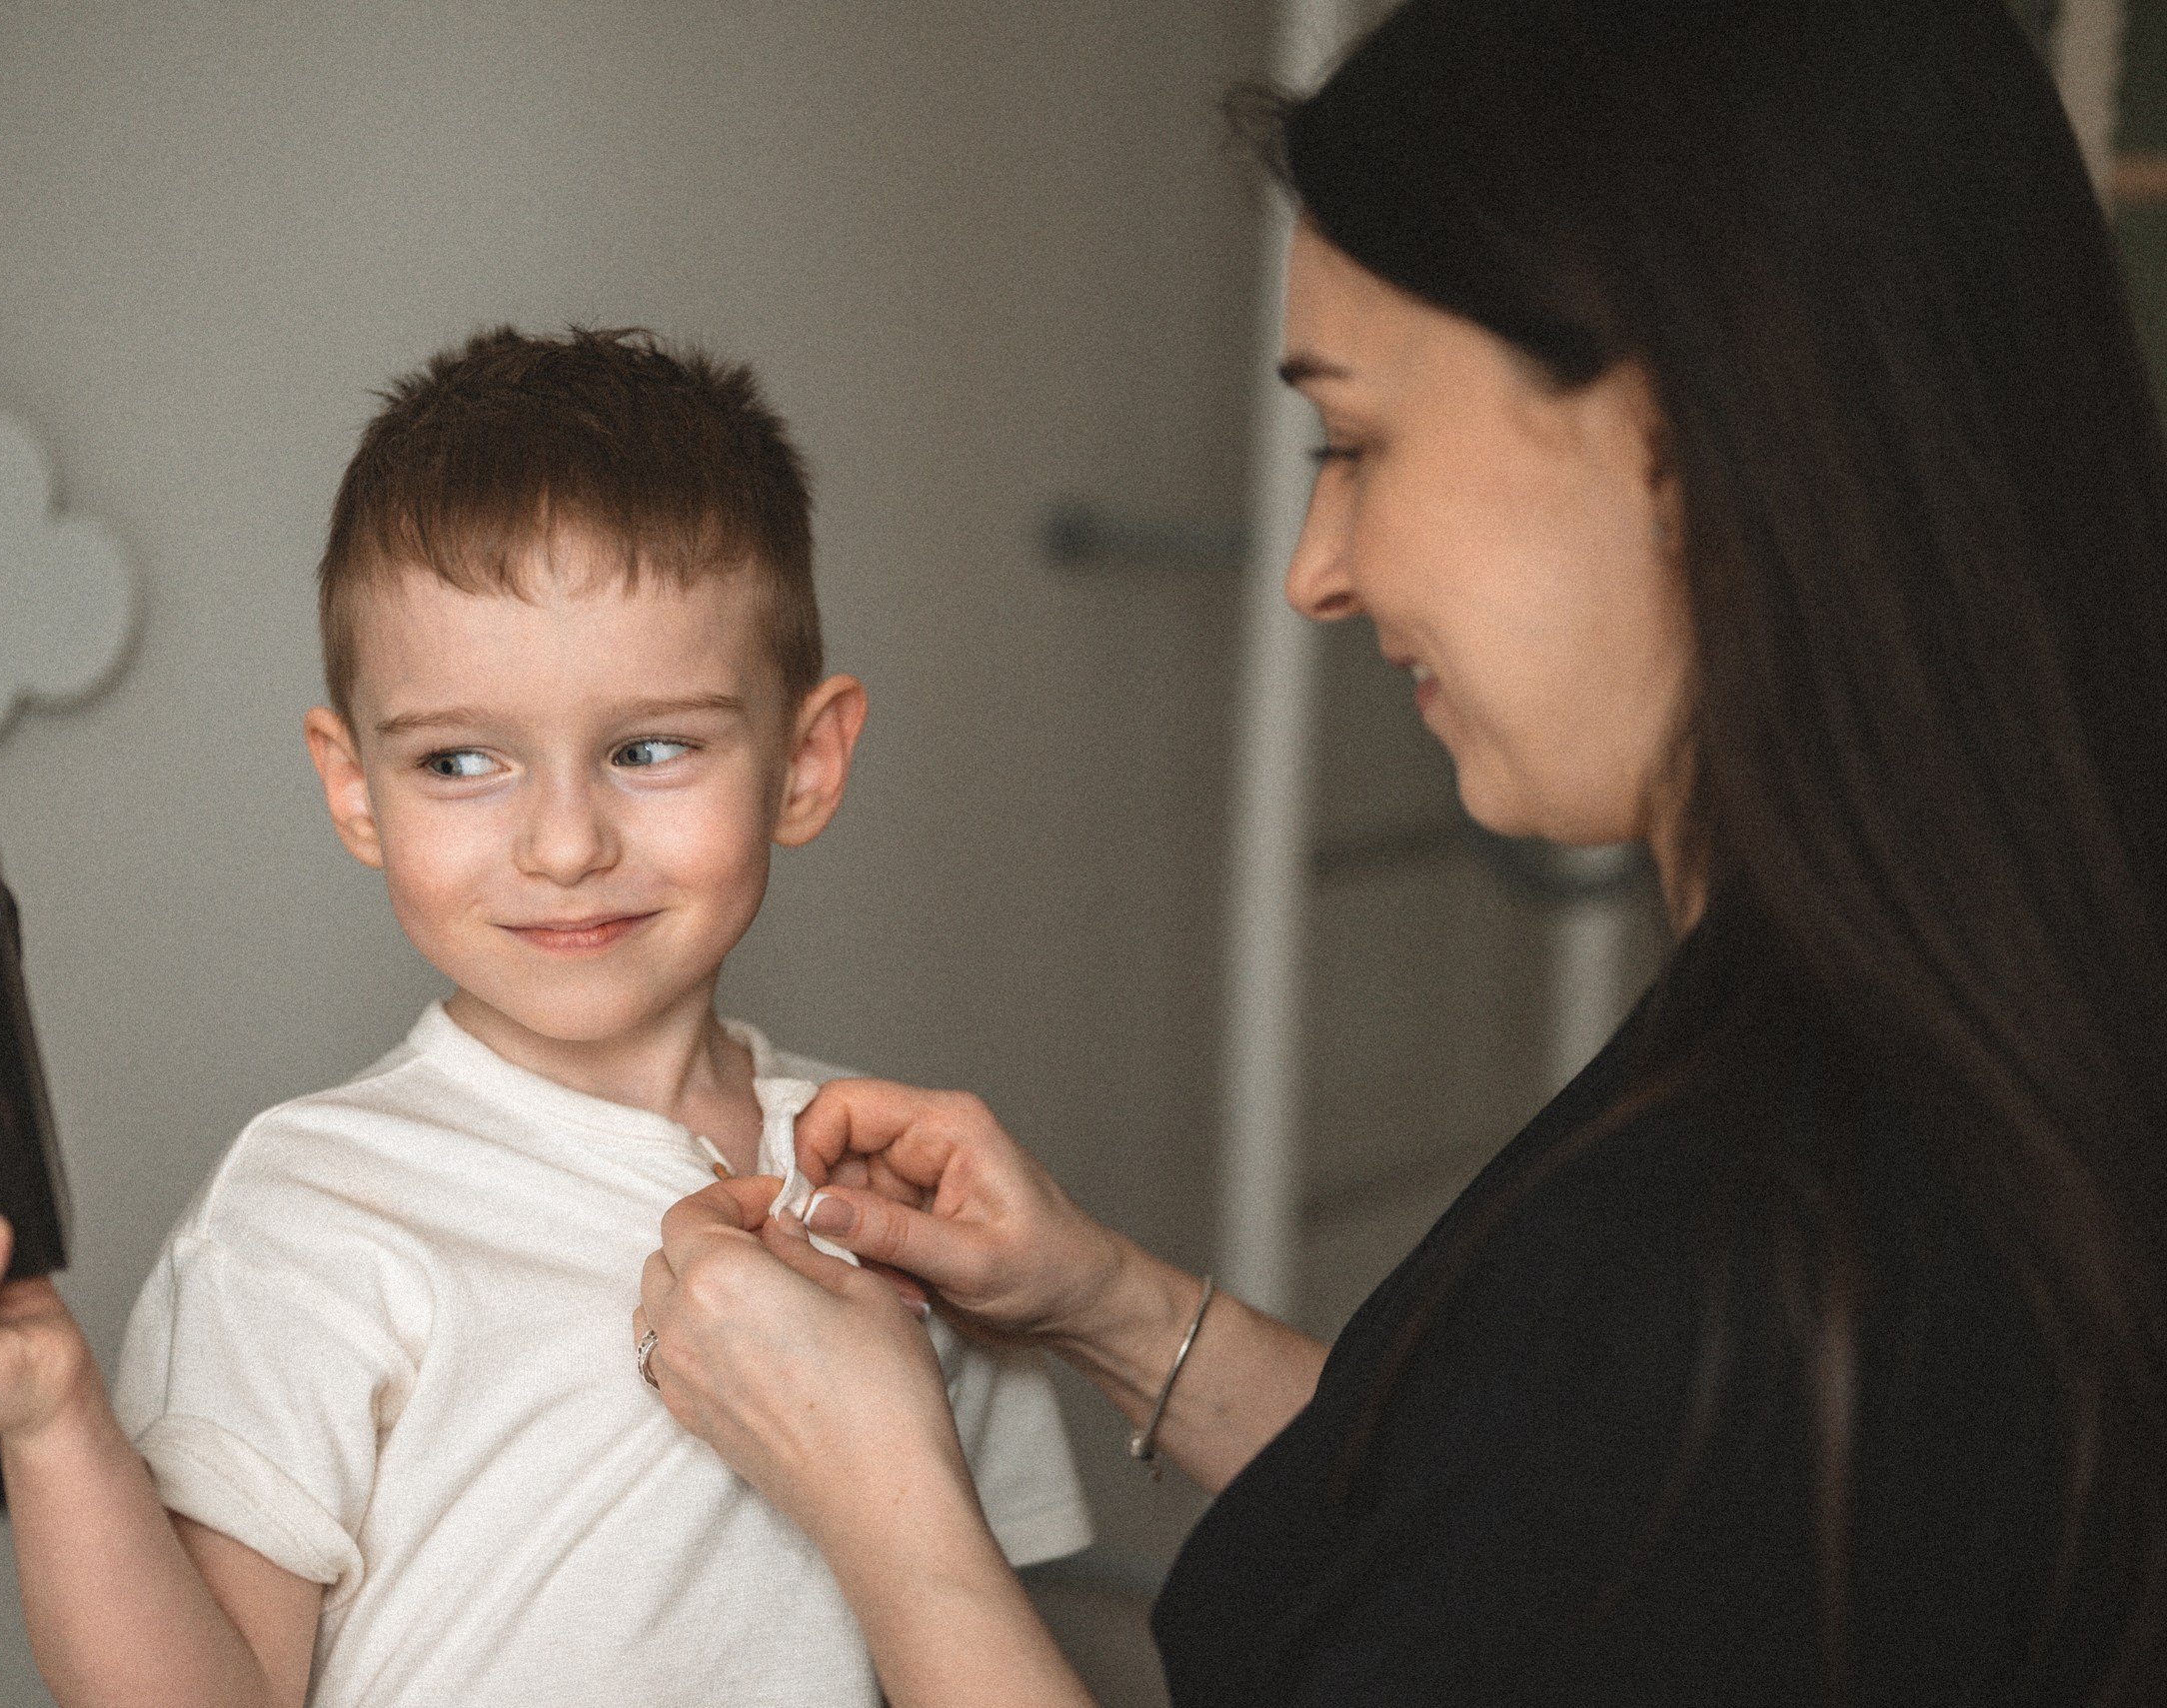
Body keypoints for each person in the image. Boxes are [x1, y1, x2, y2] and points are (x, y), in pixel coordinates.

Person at [633, 1, 2167, 1702]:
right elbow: (1542, 1541)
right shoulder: (1926, 1054)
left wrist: (883, 1502)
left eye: (1354, 443)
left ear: (1683, 432)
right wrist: (1108, 1305)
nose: (1316, 569)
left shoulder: (1763, 1249)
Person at [0, 327, 1091, 1707]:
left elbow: (969, 1638)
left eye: (648, 749)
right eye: (460, 761)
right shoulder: (308, 1211)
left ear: (804, 763)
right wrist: (53, 1423)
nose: (564, 843)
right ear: (355, 790)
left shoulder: (897, 1196)